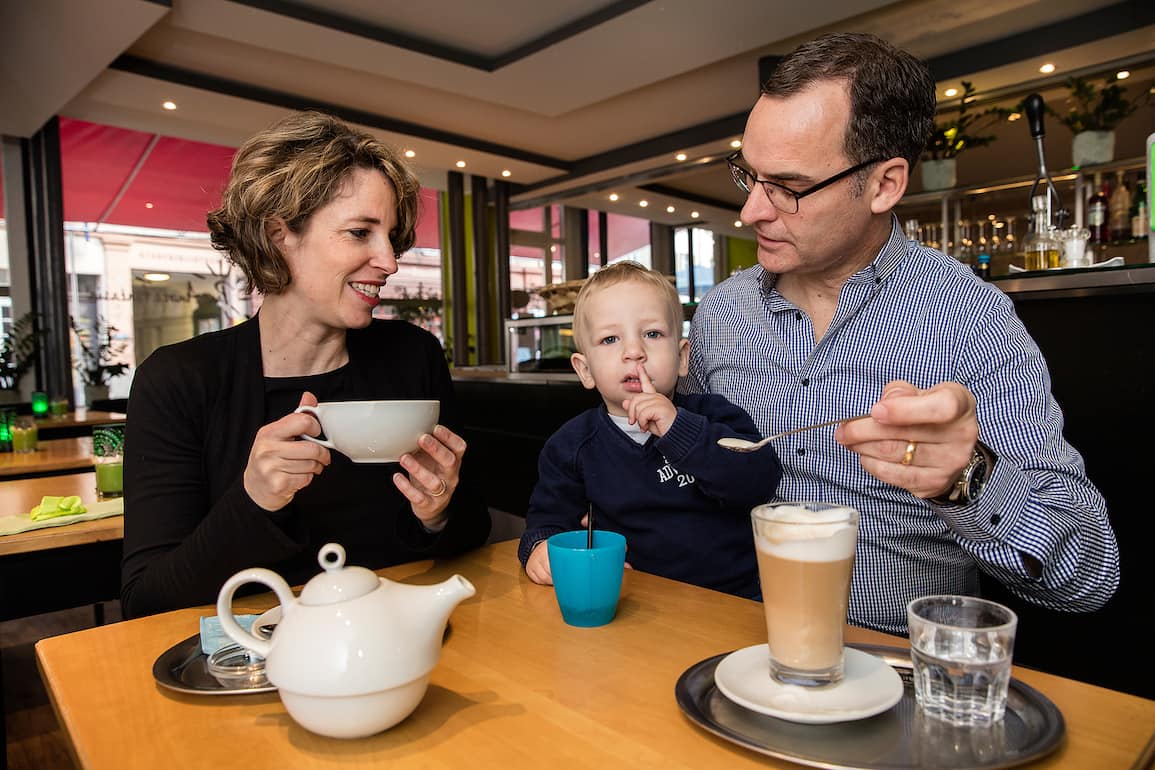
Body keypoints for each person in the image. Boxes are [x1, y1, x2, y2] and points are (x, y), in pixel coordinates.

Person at [682, 32, 1119, 634]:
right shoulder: (720, 314)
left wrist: (969, 479)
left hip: (897, 662)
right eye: (748, 176)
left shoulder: (969, 316)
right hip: (728, 639)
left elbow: (1089, 576)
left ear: (885, 184)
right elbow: (679, 480)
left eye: (788, 187)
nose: (752, 210)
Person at [121, 111, 490, 618]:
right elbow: (146, 600)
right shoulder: (179, 381)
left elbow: (472, 530)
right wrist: (253, 500)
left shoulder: (412, 356)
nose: (389, 261)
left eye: (391, 236)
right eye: (360, 232)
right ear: (279, 235)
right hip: (258, 653)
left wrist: (438, 512)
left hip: (399, 639)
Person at [518, 262, 782, 598]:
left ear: (682, 357)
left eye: (652, 334)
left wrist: (678, 429)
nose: (634, 352)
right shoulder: (571, 446)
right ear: (585, 371)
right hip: (630, 603)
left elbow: (759, 481)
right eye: (610, 339)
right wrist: (540, 548)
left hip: (734, 599)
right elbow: (548, 520)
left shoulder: (714, 415)